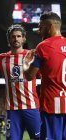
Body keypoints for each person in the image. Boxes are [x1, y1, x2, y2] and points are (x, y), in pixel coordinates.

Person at [0, 24, 40, 140]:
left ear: (23, 38)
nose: (16, 39)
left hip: (31, 107)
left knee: (39, 138)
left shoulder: (32, 56)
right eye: (13, 36)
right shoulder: (2, 58)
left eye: (18, 36)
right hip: (12, 111)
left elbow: (46, 74)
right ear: (9, 39)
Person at [23, 12, 66, 140]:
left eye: (41, 27)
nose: (39, 31)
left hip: (52, 106)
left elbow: (29, 76)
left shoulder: (44, 46)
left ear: (50, 26)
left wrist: (26, 63)